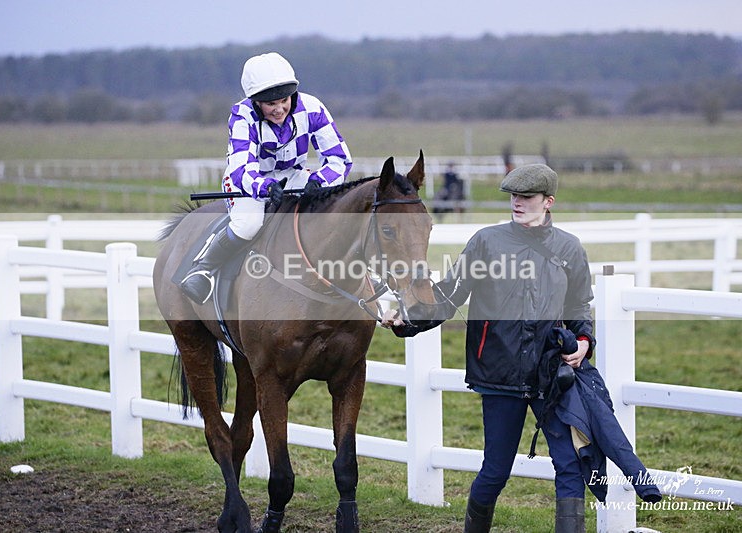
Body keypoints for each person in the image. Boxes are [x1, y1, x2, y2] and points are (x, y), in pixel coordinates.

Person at [384, 163, 658, 532]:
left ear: (549, 202)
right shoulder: (486, 242)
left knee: (570, 465)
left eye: (526, 197)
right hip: (499, 373)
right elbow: (449, 295)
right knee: (496, 471)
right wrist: (409, 322)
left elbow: (578, 306)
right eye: (513, 196)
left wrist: (584, 341)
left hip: (553, 375)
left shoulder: (569, 248)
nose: (517, 202)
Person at [180, 52, 353, 304]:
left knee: (330, 209)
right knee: (248, 225)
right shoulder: (242, 115)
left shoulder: (313, 108)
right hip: (248, 181)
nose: (280, 108)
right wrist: (265, 186)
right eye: (271, 104)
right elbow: (242, 168)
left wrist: (320, 181)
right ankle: (203, 269)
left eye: (284, 100)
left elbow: (340, 159)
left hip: (294, 175)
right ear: (256, 102)